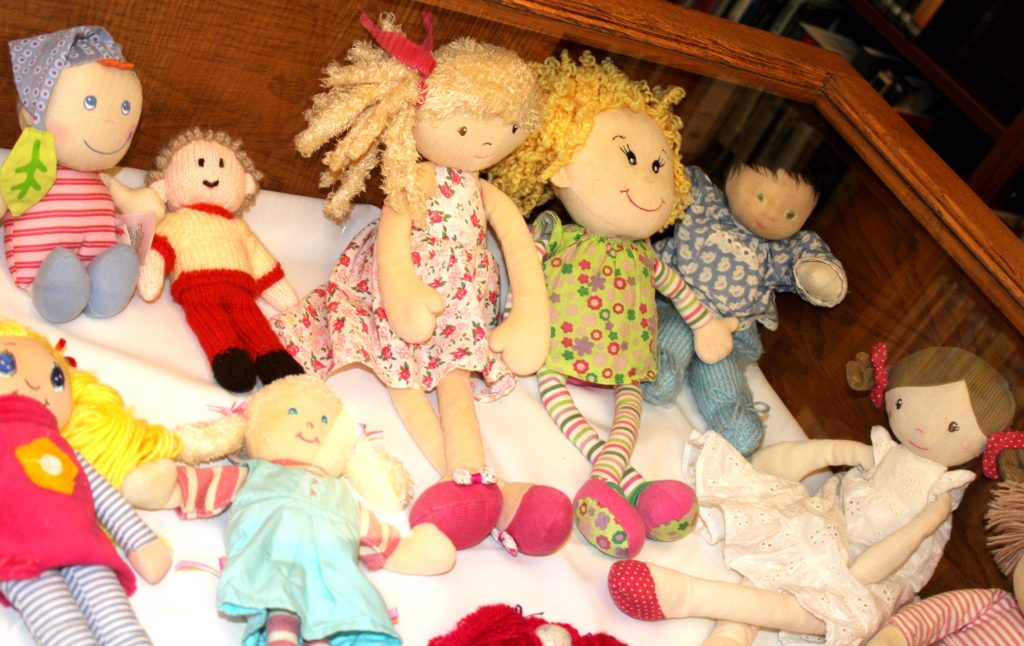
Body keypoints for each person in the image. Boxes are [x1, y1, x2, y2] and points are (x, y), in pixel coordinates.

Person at [271, 12, 571, 556]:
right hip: (399, 289)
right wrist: (402, 292)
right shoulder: (415, 180)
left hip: (462, 299)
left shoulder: (489, 194)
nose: (484, 142)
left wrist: (529, 313)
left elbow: (518, 247)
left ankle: (476, 481)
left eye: (506, 128)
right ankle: (478, 485)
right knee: (403, 379)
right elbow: (392, 238)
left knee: (454, 378)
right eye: (466, 128)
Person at [488, 51, 737, 559]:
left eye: (657, 166)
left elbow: (677, 288)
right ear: (561, 165)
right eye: (630, 160)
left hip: (626, 363)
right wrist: (515, 317)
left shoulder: (644, 254)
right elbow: (523, 269)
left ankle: (606, 485)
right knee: (567, 401)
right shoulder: (557, 233)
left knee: (630, 408)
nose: (647, 180)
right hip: (555, 352)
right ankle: (627, 485)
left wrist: (705, 326)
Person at [608, 344, 1015, 646]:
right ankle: (729, 635)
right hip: (822, 525)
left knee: (817, 612)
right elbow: (827, 453)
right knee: (771, 564)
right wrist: (770, 469)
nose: (923, 429)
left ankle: (688, 596)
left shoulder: (939, 496)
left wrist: (856, 577)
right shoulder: (879, 452)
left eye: (954, 429)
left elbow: (910, 540)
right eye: (908, 403)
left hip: (867, 574)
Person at [0, 323, 171, 645]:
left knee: (121, 625)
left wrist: (139, 540)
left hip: (84, 545)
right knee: (64, 631)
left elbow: (103, 493)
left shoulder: (63, 447)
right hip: (21, 555)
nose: (35, 383)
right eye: (5, 364)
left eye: (56, 378)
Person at [129, 128, 304, 392]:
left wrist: (286, 298)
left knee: (253, 322)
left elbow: (261, 261)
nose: (212, 174)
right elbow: (158, 249)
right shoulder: (178, 221)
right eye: (199, 164)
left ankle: (273, 356)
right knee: (211, 323)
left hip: (240, 290)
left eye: (222, 165)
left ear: (245, 183)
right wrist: (150, 278)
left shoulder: (239, 227)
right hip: (197, 289)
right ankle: (228, 357)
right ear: (164, 187)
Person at [1, 26, 143, 322]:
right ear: (34, 111)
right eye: (89, 103)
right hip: (39, 264)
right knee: (59, 273)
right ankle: (56, 291)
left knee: (117, 262)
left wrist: (147, 203)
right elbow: (8, 192)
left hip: (97, 253)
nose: (109, 122)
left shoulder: (102, 178)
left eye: (125, 108)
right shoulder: (29, 164)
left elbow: (135, 203)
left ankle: (106, 285)